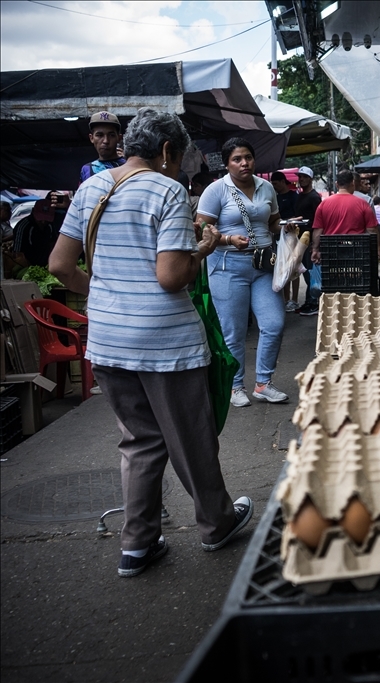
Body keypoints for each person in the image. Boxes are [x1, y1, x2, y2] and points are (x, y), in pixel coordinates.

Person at [48, 108, 253, 578]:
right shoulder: (167, 190)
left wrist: (105, 294)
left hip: (106, 338)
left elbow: (60, 265)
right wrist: (202, 249)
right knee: (191, 437)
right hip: (164, 342)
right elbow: (171, 277)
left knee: (139, 441)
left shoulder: (90, 188)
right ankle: (216, 523)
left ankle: (138, 544)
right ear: (166, 151)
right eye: (180, 158)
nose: (179, 168)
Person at [197, 138, 291, 407]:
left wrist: (285, 227)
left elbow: (272, 221)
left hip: (263, 265)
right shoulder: (216, 190)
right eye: (237, 159)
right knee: (234, 331)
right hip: (227, 267)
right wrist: (227, 239)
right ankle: (235, 385)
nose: (244, 163)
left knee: (273, 324)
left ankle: (263, 383)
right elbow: (201, 229)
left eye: (248, 157)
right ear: (227, 164)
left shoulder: (267, 188)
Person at [303, 170, 379, 316]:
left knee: (333, 290)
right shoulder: (363, 204)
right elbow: (372, 231)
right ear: (353, 183)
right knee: (357, 289)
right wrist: (376, 252)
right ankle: (356, 316)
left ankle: (335, 317)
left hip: (333, 256)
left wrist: (315, 250)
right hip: (357, 256)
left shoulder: (324, 205)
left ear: (337, 184)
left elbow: (318, 231)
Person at [292, 166, 320, 315]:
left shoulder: (314, 197)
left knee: (310, 272)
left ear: (310, 179)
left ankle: (313, 302)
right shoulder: (300, 195)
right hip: (300, 238)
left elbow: (318, 221)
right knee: (303, 270)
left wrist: (315, 245)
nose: (301, 179)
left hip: (309, 239)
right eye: (299, 177)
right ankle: (309, 301)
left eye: (304, 177)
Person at [12, 192, 68, 267]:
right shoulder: (23, 226)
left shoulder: (50, 225)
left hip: (46, 263)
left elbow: (53, 243)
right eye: (40, 218)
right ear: (33, 211)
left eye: (46, 218)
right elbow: (17, 252)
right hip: (26, 265)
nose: (43, 222)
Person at [79, 111, 126, 186]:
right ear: (91, 138)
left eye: (111, 135)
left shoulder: (129, 166)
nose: (106, 141)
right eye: (99, 135)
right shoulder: (87, 169)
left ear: (119, 138)